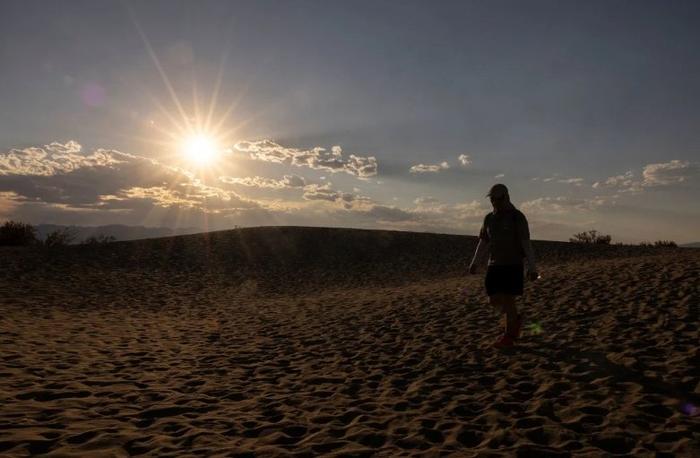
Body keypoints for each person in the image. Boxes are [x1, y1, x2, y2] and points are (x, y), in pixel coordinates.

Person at [468, 183, 538, 348]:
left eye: (497, 198)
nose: (494, 202)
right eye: (492, 199)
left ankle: (509, 336)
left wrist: (532, 267)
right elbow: (483, 242)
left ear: (505, 197)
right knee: (493, 300)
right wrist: (475, 262)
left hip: (513, 265)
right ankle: (515, 320)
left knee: (509, 300)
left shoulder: (517, 217)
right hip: (494, 265)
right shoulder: (489, 218)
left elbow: (526, 243)